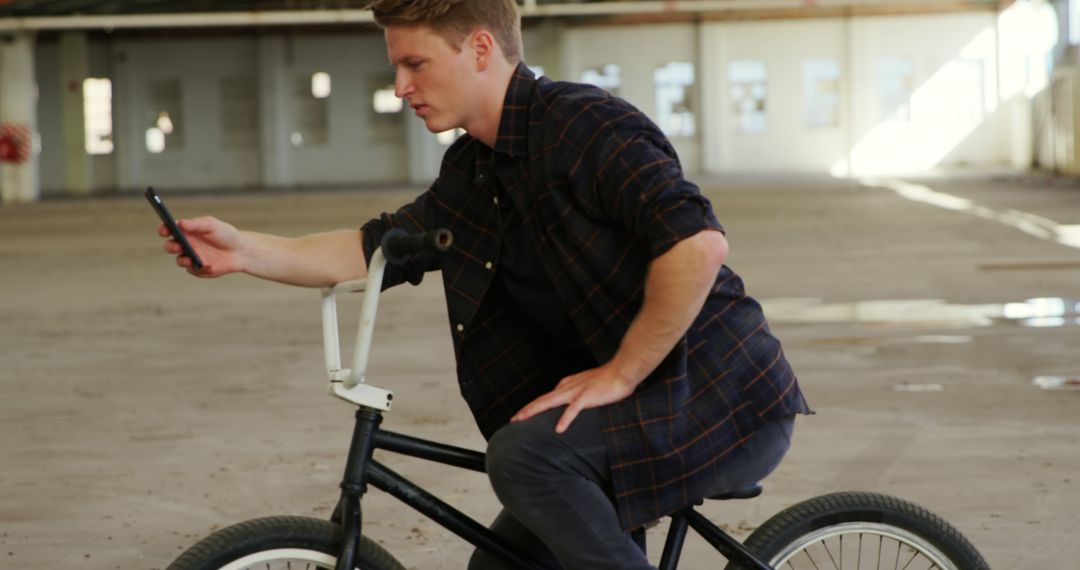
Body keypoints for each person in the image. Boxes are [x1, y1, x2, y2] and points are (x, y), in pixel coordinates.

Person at [158, 1, 811, 568]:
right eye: (397, 68)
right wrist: (243, 250)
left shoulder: (586, 126)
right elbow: (372, 248)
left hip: (721, 399)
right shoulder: (472, 172)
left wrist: (622, 373)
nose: (400, 86)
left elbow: (695, 245)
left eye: (415, 64)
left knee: (526, 458)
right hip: (631, 412)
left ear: (479, 48)